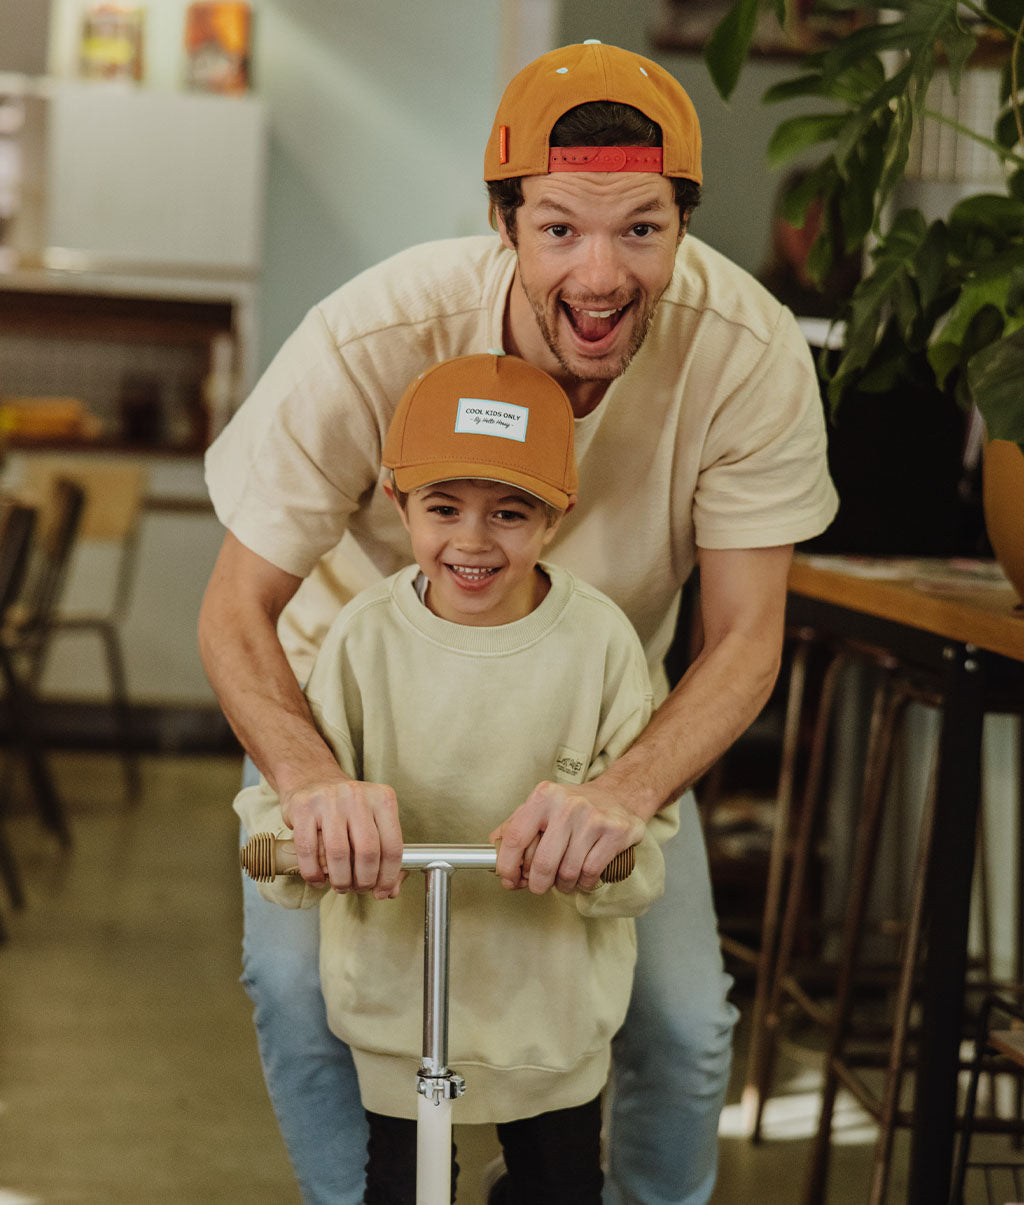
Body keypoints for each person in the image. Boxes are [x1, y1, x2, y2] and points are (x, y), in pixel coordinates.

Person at [199, 39, 838, 1205]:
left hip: (597, 728)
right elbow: (236, 606)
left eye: (640, 228)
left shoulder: (745, 355)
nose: (600, 275)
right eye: (560, 229)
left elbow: (744, 636)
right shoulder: (375, 336)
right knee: (299, 992)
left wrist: (623, 790)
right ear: (504, 220)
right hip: (356, 720)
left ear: (682, 224)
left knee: (685, 1022)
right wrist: (307, 778)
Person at [235, 351, 676, 1204]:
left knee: (560, 1186)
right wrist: (308, 840)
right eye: (444, 508)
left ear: (556, 513)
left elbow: (643, 839)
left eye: (510, 513)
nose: (472, 542)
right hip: (402, 1001)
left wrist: (601, 854)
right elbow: (286, 807)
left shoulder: (602, 645)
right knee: (399, 1185)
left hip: (547, 1007)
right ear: (399, 503)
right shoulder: (364, 639)